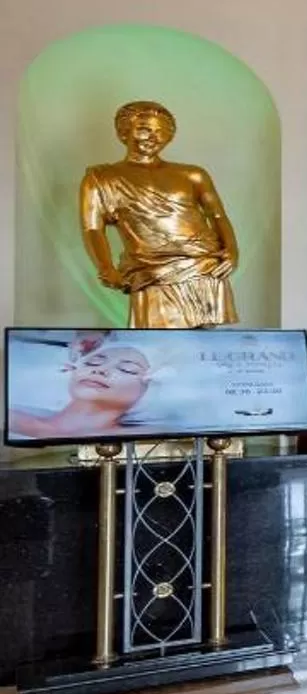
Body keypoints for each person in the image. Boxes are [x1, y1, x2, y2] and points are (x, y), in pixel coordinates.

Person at [78, 101, 239, 328]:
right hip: (150, 271)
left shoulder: (193, 175)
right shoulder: (102, 179)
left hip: (203, 265)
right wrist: (106, 267)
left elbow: (218, 217)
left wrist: (231, 250)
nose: (153, 137)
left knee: (205, 340)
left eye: (160, 131)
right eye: (144, 129)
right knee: (156, 340)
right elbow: (93, 229)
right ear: (124, 132)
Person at [7, 333, 156, 441]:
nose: (100, 370)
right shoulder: (10, 418)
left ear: (147, 390)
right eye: (93, 362)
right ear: (72, 371)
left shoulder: (149, 434)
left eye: (127, 369)